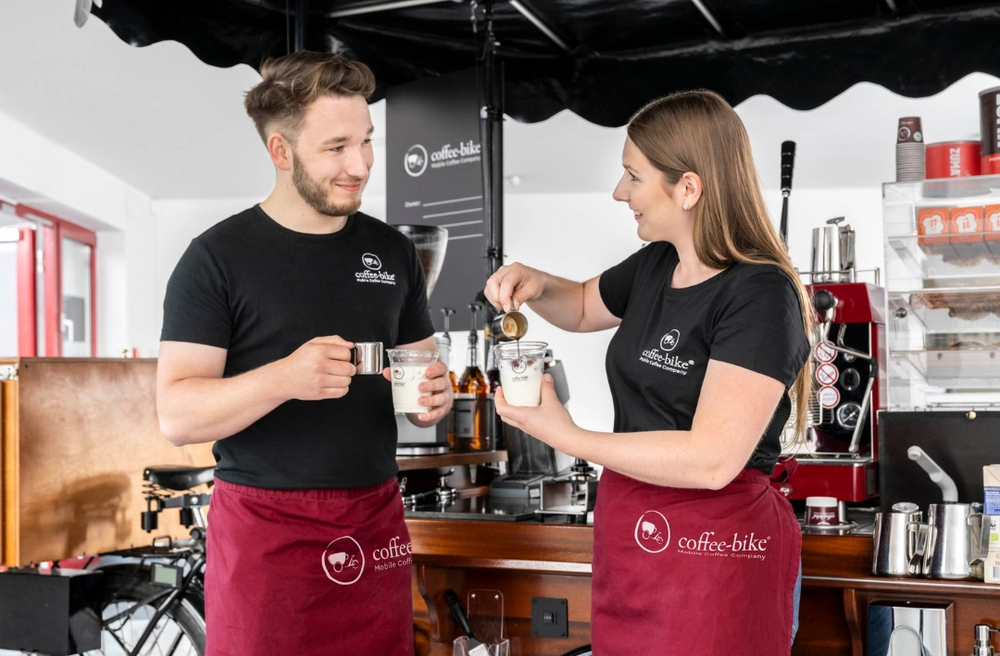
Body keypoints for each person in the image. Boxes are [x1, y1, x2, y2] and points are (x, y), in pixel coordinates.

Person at [484, 90, 812, 655]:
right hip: (635, 534)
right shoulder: (660, 262)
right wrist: (536, 282)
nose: (619, 192)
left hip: (716, 549)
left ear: (688, 187)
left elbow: (712, 460)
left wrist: (569, 437)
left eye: (632, 177)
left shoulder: (759, 293)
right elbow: (585, 305)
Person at [156, 51, 452, 656]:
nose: (361, 164)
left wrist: (432, 401)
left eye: (367, 141)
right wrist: (284, 378)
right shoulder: (216, 258)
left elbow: (422, 380)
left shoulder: (393, 252)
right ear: (281, 152)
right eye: (336, 147)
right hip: (266, 533)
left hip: (374, 520)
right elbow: (177, 415)